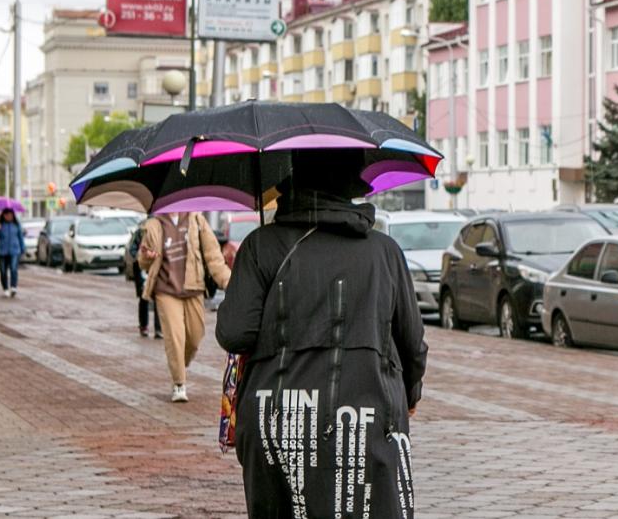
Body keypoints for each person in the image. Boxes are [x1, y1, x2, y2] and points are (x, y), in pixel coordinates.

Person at [216, 150, 428, 519]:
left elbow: (234, 333)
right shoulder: (385, 252)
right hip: (365, 414)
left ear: (291, 179)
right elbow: (411, 341)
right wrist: (410, 393)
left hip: (278, 417)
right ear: (351, 184)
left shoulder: (261, 246)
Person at [138, 211, 230, 403]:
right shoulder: (155, 224)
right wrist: (147, 256)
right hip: (165, 290)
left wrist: (229, 282)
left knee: (195, 337)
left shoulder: (196, 220)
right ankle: (179, 383)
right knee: (175, 336)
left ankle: (180, 363)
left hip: (193, 287)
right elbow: (143, 260)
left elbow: (213, 256)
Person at [129, 221, 162, 339]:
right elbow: (132, 249)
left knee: (159, 297)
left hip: (157, 268)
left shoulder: (163, 230)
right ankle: (144, 326)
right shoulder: (141, 231)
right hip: (142, 269)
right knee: (144, 297)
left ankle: (159, 329)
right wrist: (141, 255)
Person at [0, 208, 26, 298]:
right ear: (3, 216)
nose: (9, 217)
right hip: (2, 251)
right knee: (3, 271)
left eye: (11, 215)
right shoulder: (0, 225)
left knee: (13, 269)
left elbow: (20, 237)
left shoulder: (16, 225)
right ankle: (5, 288)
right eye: (7, 215)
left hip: (14, 250)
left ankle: (13, 287)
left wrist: (23, 248)